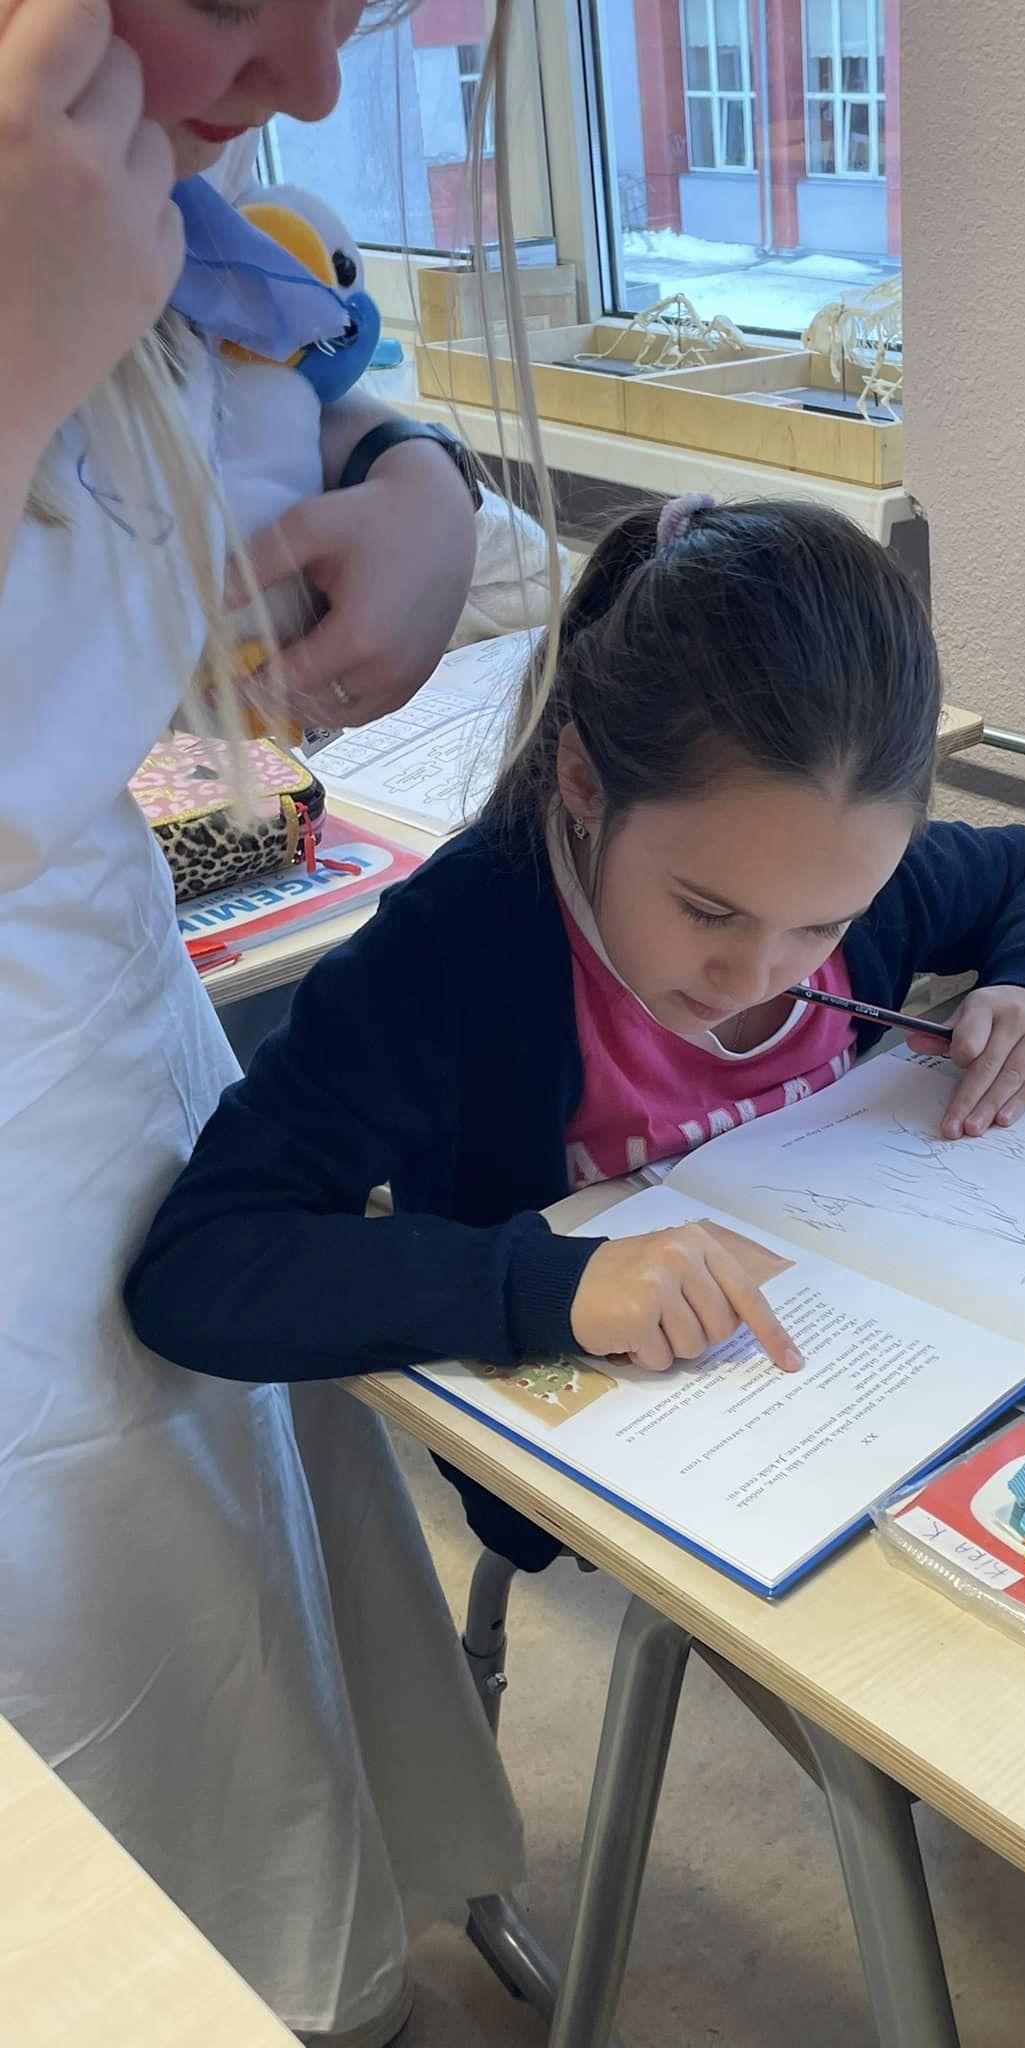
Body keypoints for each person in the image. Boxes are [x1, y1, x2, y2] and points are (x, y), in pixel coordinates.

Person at [0, 3, 546, 2042]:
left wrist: (415, 481)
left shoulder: (134, 190)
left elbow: (260, 391)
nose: (314, 85)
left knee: (232, 1634)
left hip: (124, 1051)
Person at [127, 495, 1025, 1566]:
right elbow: (200, 1267)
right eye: (707, 912)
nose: (757, 974)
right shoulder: (459, 948)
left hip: (884, 1407)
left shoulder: (833, 865)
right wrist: (551, 1284)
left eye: (823, 925)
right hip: (620, 1457)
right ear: (584, 783)